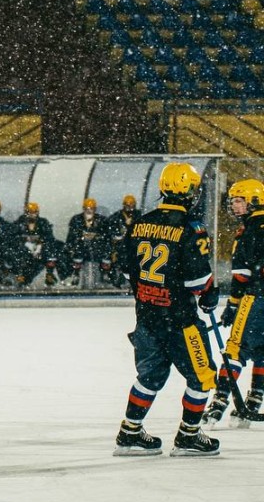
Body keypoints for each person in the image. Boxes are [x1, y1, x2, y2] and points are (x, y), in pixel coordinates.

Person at [113, 162, 220, 457]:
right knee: (202, 376)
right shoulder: (191, 228)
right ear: (189, 191)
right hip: (180, 320)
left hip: (147, 317)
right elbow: (197, 280)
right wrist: (210, 295)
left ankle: (129, 432)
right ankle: (189, 436)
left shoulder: (140, 223)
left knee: (149, 376)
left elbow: (125, 271)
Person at [204, 179, 264, 428]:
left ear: (254, 201)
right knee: (261, 351)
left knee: (235, 350)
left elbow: (242, 276)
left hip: (255, 297)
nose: (234, 206)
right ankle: (253, 402)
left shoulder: (249, 230)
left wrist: (233, 304)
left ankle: (217, 406)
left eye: (239, 200)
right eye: (233, 201)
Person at [13, 201, 62, 287]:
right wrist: (26, 244)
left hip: (40, 252)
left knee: (53, 249)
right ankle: (21, 277)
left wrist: (39, 246)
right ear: (26, 213)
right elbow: (13, 236)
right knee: (19, 256)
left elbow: (49, 237)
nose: (32, 214)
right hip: (24, 252)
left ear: (37, 212)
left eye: (34, 212)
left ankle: (49, 275)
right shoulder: (20, 223)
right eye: (30, 212)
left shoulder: (43, 222)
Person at [65, 197, 112, 286]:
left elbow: (107, 236)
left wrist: (96, 237)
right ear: (83, 209)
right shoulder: (76, 219)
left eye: (91, 209)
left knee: (107, 250)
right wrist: (79, 240)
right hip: (81, 247)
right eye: (87, 209)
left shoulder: (102, 220)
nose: (89, 211)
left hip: (97, 248)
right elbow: (71, 236)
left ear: (95, 209)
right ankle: (75, 273)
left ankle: (105, 273)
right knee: (74, 251)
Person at [105, 194, 141, 287]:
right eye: (128, 205)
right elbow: (110, 233)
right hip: (120, 245)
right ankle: (117, 280)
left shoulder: (139, 216)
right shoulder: (116, 217)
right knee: (118, 259)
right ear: (124, 205)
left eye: (132, 205)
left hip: (134, 245)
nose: (130, 208)